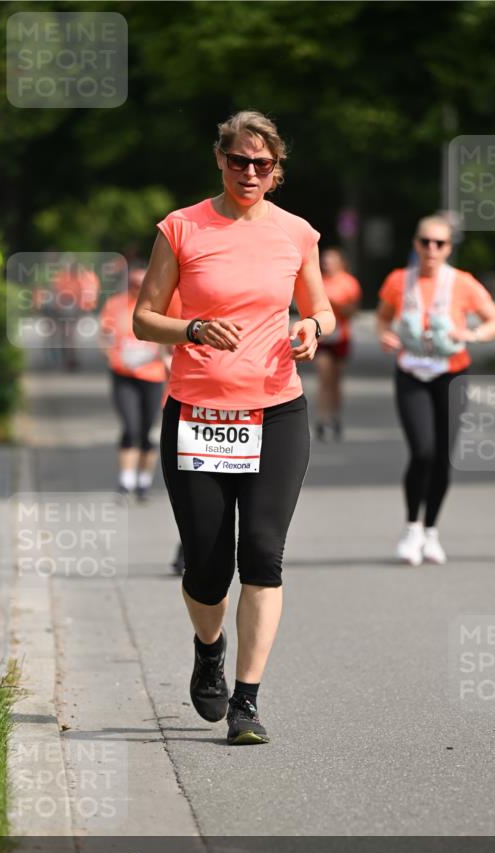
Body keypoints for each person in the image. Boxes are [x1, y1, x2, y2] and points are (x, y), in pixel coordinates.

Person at [132, 110, 334, 744]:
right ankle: (208, 645)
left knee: (264, 556)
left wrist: (313, 328)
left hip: (277, 409)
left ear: (277, 170)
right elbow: (143, 319)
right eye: (239, 160)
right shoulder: (183, 228)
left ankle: (246, 702)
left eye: (263, 164)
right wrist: (190, 328)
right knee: (206, 568)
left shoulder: (297, 233)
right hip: (198, 413)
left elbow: (320, 305)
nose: (250, 172)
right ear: (220, 159)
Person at [377, 214, 495, 565]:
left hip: (451, 375)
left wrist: (473, 335)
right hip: (411, 373)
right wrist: (384, 335)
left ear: (449, 248)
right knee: (422, 451)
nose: (431, 249)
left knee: (442, 459)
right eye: (425, 242)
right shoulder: (398, 280)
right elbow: (382, 317)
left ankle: (431, 531)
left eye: (440, 243)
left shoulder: (462, 283)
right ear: (415, 244)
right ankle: (411, 528)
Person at [99, 268, 167, 499]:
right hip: (124, 374)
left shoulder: (160, 304)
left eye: (142, 284)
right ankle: (125, 480)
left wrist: (164, 356)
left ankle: (144, 481)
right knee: (130, 427)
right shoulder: (116, 304)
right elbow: (105, 334)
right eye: (133, 284)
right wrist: (110, 355)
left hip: (152, 375)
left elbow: (170, 337)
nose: (137, 288)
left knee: (147, 430)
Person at [314, 248, 361, 440]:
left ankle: (335, 417)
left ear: (340, 263)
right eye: (324, 260)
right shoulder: (318, 281)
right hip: (324, 337)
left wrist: (337, 305)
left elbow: (352, 312)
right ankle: (323, 420)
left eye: (331, 260)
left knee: (336, 381)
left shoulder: (348, 283)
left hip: (341, 336)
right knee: (324, 378)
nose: (326, 264)